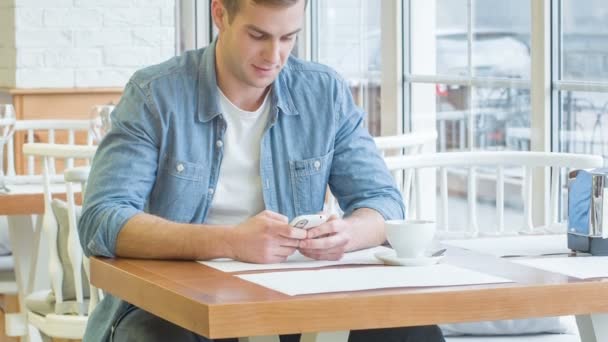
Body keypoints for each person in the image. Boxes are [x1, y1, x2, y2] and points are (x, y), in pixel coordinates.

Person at [78, 0, 445, 341]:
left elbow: (383, 202)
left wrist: (348, 233)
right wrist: (231, 242)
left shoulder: (323, 92)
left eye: (288, 38)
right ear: (220, 14)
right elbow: (102, 220)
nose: (274, 56)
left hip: (294, 303)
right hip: (172, 309)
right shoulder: (155, 94)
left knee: (413, 330)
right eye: (258, 36)